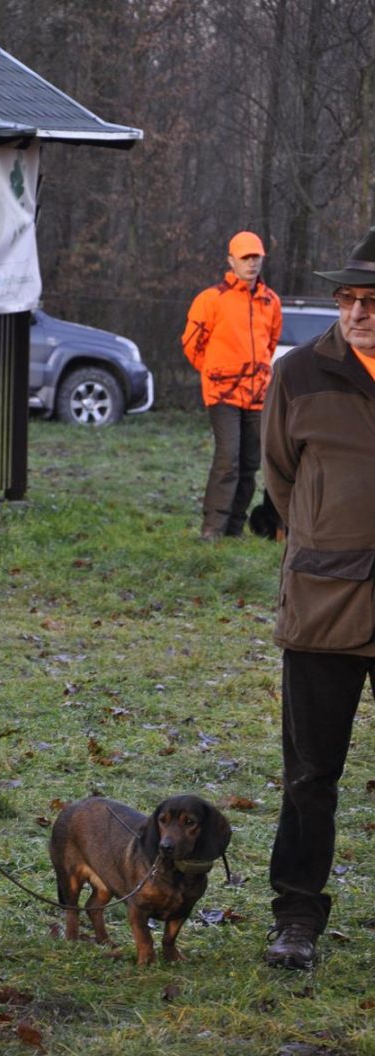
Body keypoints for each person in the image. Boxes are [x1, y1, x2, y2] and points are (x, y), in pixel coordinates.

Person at [261, 226, 375, 969]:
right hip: (324, 607)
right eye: (347, 299)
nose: (358, 312)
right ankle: (296, 919)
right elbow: (278, 478)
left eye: (372, 300)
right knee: (309, 776)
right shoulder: (299, 373)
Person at [181, 231, 282, 540]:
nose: (251, 264)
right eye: (245, 258)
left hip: (257, 395)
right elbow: (191, 344)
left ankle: (234, 529)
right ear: (231, 261)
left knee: (250, 463)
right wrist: (215, 373)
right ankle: (212, 529)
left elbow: (271, 343)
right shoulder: (212, 299)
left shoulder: (270, 301)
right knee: (228, 457)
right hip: (222, 394)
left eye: (256, 257)